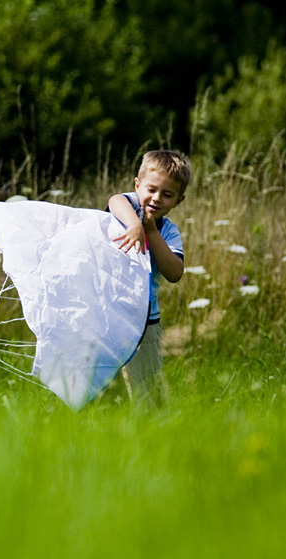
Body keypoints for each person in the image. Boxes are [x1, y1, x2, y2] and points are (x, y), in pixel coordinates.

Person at [107, 150, 192, 404]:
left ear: (179, 200)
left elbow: (175, 272)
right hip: (108, 315)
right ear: (137, 185)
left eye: (167, 195)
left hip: (145, 322)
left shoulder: (168, 232)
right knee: (107, 390)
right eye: (151, 190)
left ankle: (150, 431)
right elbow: (114, 200)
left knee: (147, 391)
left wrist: (151, 233)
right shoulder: (128, 208)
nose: (156, 199)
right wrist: (134, 224)